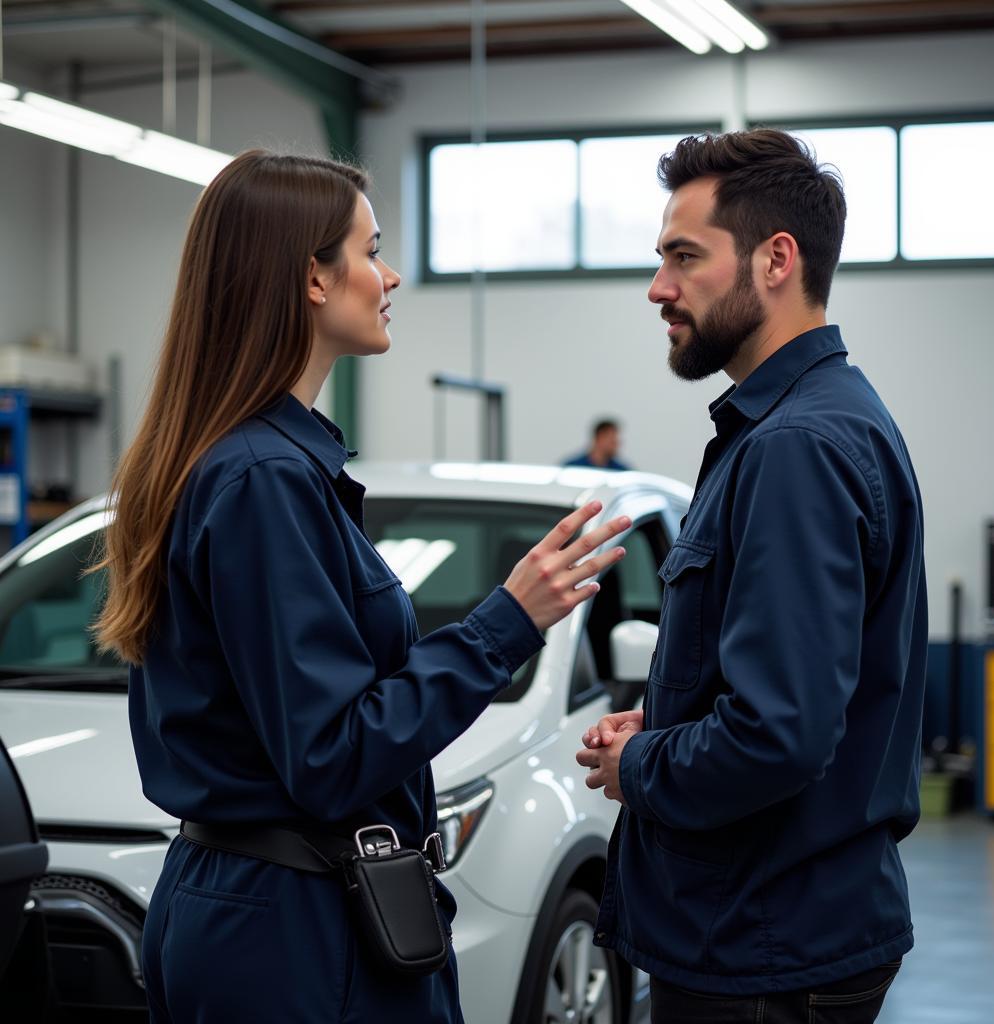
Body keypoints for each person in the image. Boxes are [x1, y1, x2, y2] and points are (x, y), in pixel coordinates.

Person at [92, 150, 630, 1023]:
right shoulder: (263, 479)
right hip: (292, 937)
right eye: (371, 250)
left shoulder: (257, 463)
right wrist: (508, 621)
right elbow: (334, 752)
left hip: (278, 912)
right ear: (312, 276)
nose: (391, 276)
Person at [576, 129, 927, 1023]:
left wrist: (640, 764)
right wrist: (667, 717)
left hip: (763, 946)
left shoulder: (795, 448)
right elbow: (807, 688)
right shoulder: (815, 423)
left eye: (684, 257)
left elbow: (779, 735)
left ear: (777, 260)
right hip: (782, 929)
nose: (659, 288)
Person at [563, 418, 632, 470]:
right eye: (612, 441)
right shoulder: (573, 468)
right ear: (599, 438)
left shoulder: (621, 471)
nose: (616, 445)